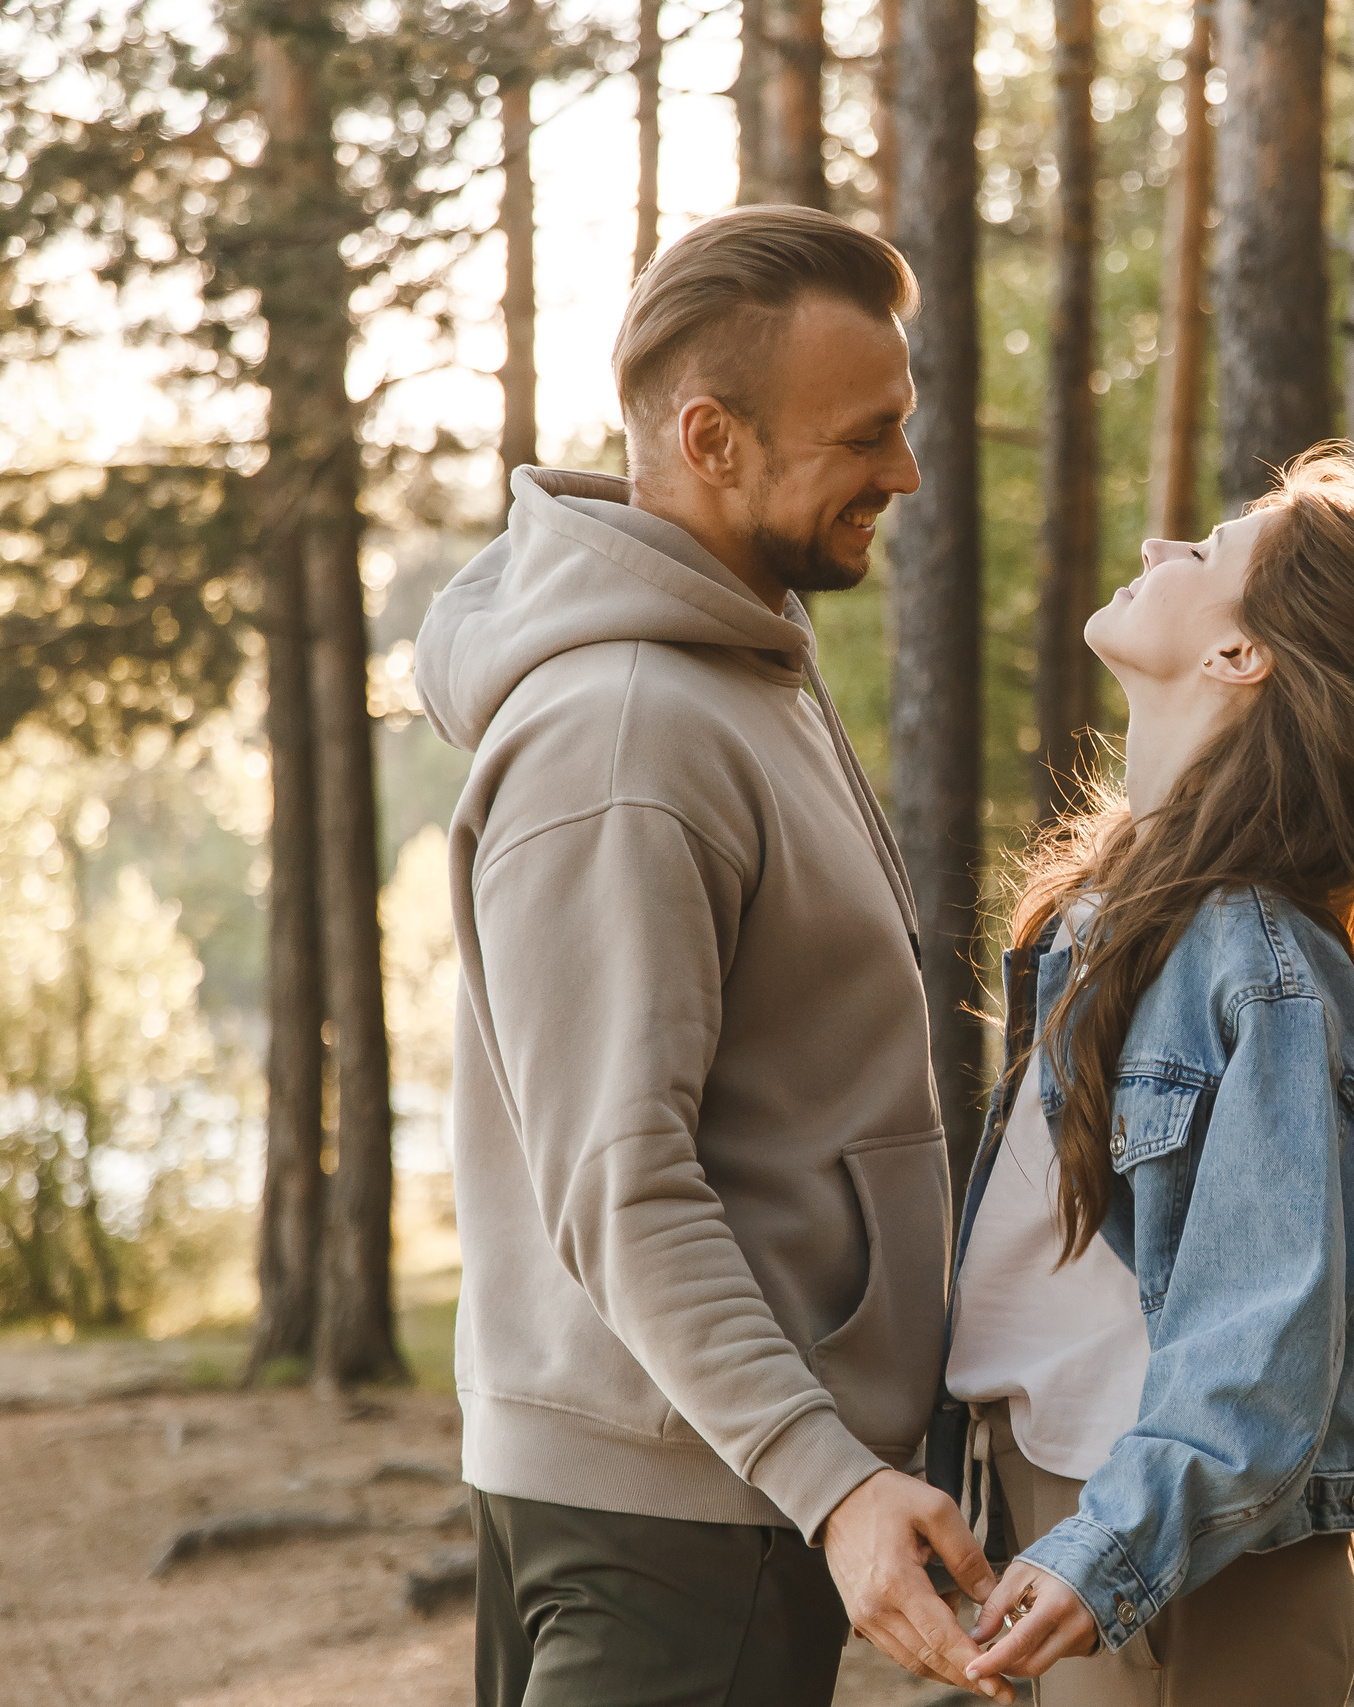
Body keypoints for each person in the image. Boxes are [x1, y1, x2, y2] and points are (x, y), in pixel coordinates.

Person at [416, 205, 1014, 1707]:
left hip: (699, 1481)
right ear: (712, 438)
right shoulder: (629, 732)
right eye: (864, 436)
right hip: (682, 1513)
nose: (905, 473)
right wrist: (829, 1476)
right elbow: (623, 1180)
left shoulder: (735, 667)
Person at [940, 451, 1354, 1704]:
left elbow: (1264, 1334)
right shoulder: (1108, 919)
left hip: (1186, 1561)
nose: (1158, 549)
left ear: (1238, 655)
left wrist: (1107, 1550)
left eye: (1203, 553)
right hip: (1086, 1513)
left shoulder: (1263, 974)